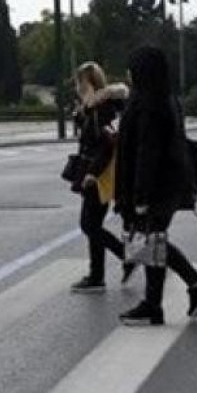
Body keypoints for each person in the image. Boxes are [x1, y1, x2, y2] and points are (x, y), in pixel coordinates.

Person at [114, 46, 197, 326]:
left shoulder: (149, 103)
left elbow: (146, 152)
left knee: (153, 240)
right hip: (169, 183)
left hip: (157, 187)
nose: (129, 73)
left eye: (133, 68)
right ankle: (178, 295)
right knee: (154, 241)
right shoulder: (164, 97)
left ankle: (187, 290)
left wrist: (140, 196)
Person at [70, 62, 129, 293]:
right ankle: (97, 275)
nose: (78, 87)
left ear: (91, 83)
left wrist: (93, 173)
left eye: (80, 82)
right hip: (95, 173)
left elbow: (107, 144)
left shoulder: (102, 108)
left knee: (89, 224)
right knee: (93, 224)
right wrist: (81, 112)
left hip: (100, 175)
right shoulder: (92, 108)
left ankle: (126, 256)